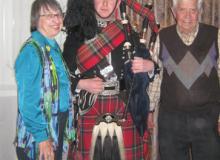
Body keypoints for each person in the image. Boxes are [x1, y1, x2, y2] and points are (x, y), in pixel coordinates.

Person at [63, 0, 159, 159]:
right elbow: (63, 75)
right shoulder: (77, 34)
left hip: (123, 106)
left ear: (118, 2)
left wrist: (150, 66)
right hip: (90, 106)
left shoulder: (128, 31)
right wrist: (81, 83)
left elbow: (151, 67)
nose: (105, 3)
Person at [148, 0, 220, 159]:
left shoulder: (215, 35)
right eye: (182, 10)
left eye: (193, 10)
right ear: (174, 12)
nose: (188, 16)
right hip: (171, 122)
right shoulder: (163, 37)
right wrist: (150, 109)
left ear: (199, 12)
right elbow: (156, 77)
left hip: (207, 121)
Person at [14, 0, 74, 159]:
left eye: (58, 14)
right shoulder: (31, 51)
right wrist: (42, 138)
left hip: (58, 125)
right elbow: (27, 102)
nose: (56, 20)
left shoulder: (53, 48)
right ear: (36, 20)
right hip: (38, 137)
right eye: (49, 15)